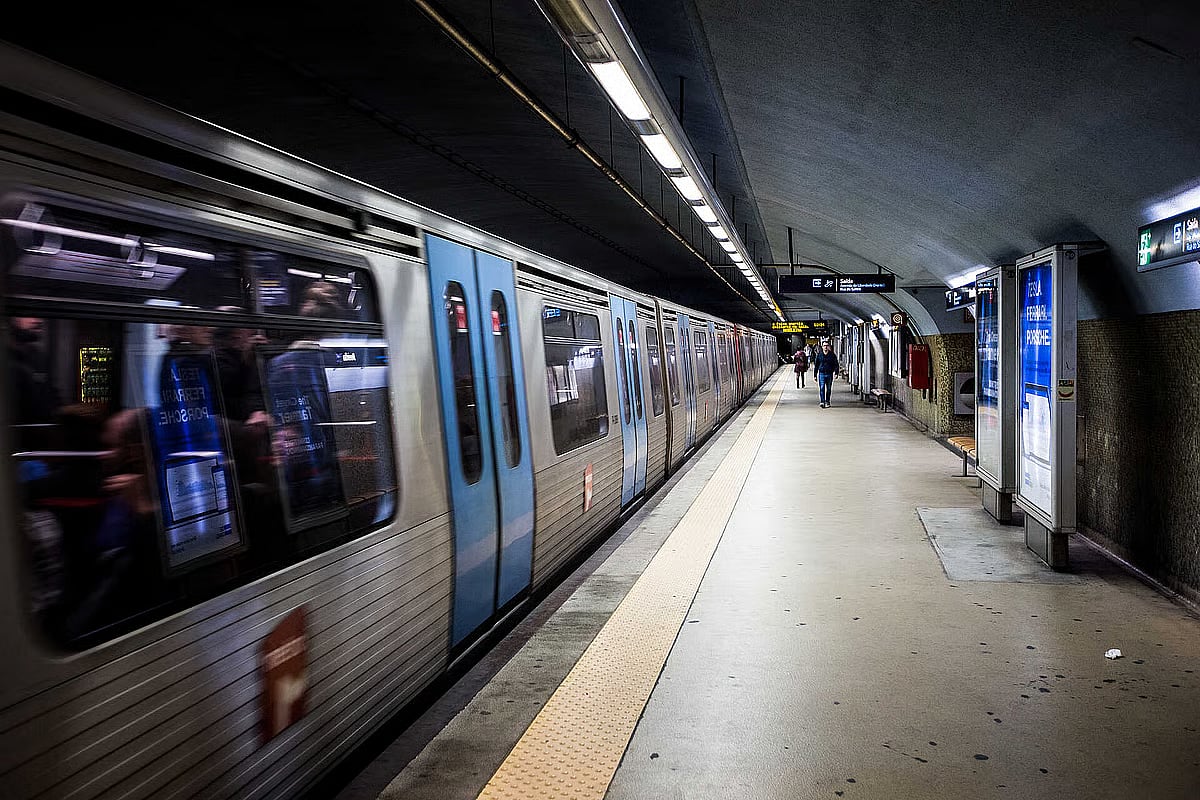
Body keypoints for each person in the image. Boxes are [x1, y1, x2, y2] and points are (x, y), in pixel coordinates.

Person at [814, 340, 840, 408]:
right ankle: (822, 401)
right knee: (822, 387)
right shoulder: (819, 355)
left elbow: (836, 364)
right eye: (824, 346)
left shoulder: (832, 355)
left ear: (828, 346)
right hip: (821, 373)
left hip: (829, 374)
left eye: (826, 345)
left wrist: (836, 372)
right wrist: (815, 375)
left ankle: (827, 401)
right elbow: (816, 365)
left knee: (828, 388)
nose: (825, 347)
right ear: (822, 347)